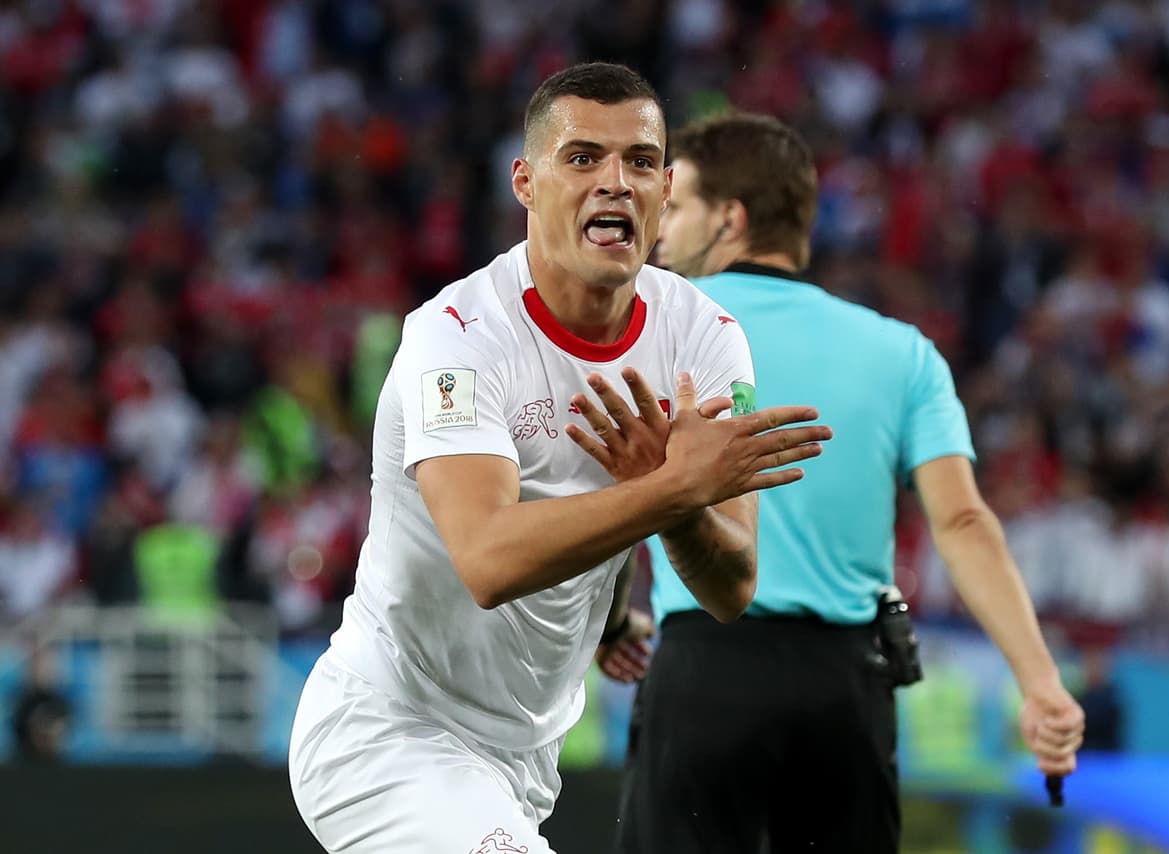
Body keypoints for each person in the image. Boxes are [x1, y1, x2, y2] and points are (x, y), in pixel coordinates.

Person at [287, 65, 831, 854]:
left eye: (640, 163)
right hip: (386, 729)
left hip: (520, 762)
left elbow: (731, 587)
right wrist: (671, 488)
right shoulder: (457, 339)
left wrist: (665, 524)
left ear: (666, 189)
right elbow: (487, 559)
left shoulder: (708, 339)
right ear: (527, 183)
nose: (615, 182)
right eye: (582, 158)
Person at [593, 113, 1085, 853]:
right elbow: (963, 525)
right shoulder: (903, 352)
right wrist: (1040, 682)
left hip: (706, 672)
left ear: (731, 218)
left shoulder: (649, 330)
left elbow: (595, 488)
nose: (660, 226)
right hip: (846, 686)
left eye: (680, 204)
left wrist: (606, 621)